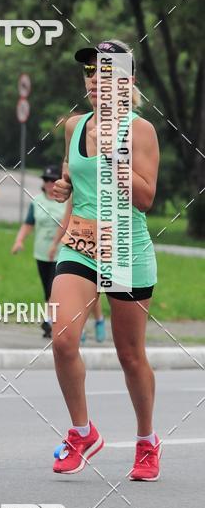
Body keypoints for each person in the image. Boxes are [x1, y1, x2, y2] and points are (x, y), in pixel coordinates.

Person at [50, 39, 160, 481]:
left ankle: (147, 441)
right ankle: (83, 431)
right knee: (62, 338)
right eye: (90, 72)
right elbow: (71, 177)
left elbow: (147, 197)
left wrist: (111, 154)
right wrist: (63, 189)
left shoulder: (140, 130)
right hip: (80, 244)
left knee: (130, 355)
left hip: (126, 249)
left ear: (127, 81)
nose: (95, 79)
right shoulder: (74, 124)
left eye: (106, 72)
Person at [12, 163, 66, 339]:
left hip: (61, 253)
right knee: (47, 290)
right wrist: (19, 240)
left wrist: (56, 244)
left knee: (54, 289)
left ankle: (49, 321)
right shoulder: (37, 202)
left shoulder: (67, 201)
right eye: (46, 180)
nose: (49, 184)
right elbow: (28, 224)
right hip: (41, 253)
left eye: (53, 180)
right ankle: (55, 320)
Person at [52, 200, 108, 344]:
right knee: (80, 291)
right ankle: (79, 328)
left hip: (113, 245)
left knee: (129, 353)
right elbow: (66, 221)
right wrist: (54, 244)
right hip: (80, 249)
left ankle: (99, 320)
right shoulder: (77, 186)